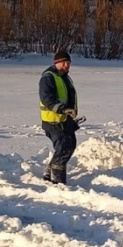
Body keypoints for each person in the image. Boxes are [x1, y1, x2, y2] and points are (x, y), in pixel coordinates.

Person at [39, 50, 82, 185]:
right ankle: (57, 180)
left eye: (69, 63)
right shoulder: (48, 77)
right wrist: (63, 109)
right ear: (56, 62)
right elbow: (47, 98)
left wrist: (70, 112)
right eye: (64, 63)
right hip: (53, 120)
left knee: (70, 145)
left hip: (65, 119)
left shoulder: (64, 77)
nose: (67, 65)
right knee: (63, 148)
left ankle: (49, 172)